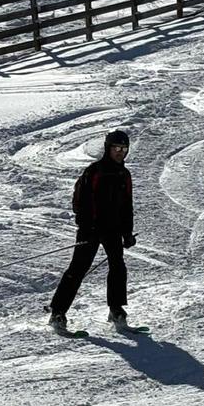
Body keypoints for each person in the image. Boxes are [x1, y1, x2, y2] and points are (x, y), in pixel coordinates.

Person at [48, 129, 137, 331]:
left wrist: (127, 233)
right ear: (108, 148)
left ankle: (116, 309)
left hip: (113, 230)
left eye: (124, 149)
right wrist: (86, 223)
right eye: (116, 148)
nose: (120, 153)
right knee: (78, 268)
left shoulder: (124, 174)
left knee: (118, 266)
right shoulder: (95, 171)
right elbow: (79, 200)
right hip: (91, 229)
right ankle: (57, 312)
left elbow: (127, 206)